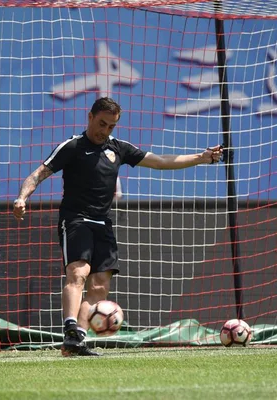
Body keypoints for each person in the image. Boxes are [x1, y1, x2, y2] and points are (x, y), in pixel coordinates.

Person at [13, 97, 223, 356]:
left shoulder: (119, 149)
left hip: (103, 224)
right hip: (76, 220)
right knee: (78, 272)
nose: (105, 130)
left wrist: (200, 158)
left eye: (111, 126)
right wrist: (22, 198)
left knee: (100, 286)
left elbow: (159, 161)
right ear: (89, 117)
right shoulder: (72, 146)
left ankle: (75, 341)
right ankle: (69, 327)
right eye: (102, 123)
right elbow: (38, 173)